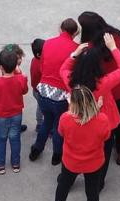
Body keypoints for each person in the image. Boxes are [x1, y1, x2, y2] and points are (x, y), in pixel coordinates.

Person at [49, 33, 120, 201]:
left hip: (71, 160)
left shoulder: (67, 113)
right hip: (94, 162)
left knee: (63, 187)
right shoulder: (102, 114)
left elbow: (63, 69)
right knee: (92, 194)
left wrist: (74, 53)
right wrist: (113, 48)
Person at [29, 18, 80, 165]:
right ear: (75, 32)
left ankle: (36, 150)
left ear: (60, 29)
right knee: (58, 126)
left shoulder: (48, 43)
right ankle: (57, 155)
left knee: (46, 122)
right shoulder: (75, 48)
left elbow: (41, 67)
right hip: (61, 97)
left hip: (44, 92)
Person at [0, 46, 29, 174]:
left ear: (1, 67)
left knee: (1, 139)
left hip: (0, 116)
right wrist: (20, 73)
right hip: (16, 114)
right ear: (16, 64)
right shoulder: (21, 78)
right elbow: (25, 90)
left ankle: (0, 165)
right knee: (15, 138)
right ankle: (15, 164)